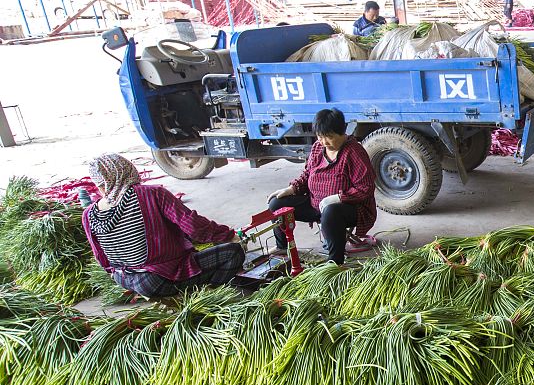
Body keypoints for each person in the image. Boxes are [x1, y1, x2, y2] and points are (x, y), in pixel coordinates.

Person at [82, 153, 246, 298]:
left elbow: (101, 257)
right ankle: (210, 297)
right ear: (126, 170)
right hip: (157, 279)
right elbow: (194, 227)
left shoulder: (89, 214)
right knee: (233, 253)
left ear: (100, 183)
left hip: (123, 278)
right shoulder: (151, 194)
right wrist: (228, 235)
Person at [267, 108, 377, 265]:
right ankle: (282, 247)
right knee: (277, 204)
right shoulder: (318, 148)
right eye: (320, 137)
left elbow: (365, 188)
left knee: (331, 212)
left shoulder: (354, 152)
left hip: (349, 209)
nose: (324, 142)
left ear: (342, 133)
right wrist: (291, 189)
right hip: (316, 204)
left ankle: (335, 261)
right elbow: (307, 174)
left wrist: (338, 198)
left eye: (329, 137)